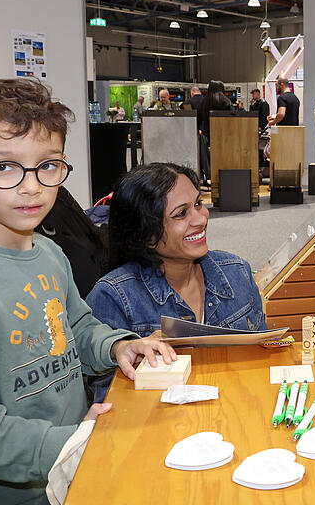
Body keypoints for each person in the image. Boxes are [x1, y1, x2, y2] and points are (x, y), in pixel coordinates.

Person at [0, 78, 176, 505]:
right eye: (5, 168)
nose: (32, 187)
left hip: (73, 469)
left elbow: (78, 327)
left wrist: (116, 345)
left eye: (48, 166)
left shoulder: (49, 253)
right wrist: (70, 444)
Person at [86, 162, 266, 400]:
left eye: (198, 204)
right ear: (147, 234)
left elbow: (267, 360)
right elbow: (112, 402)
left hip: (238, 414)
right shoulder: (114, 297)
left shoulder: (237, 272)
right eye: (181, 213)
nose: (200, 219)